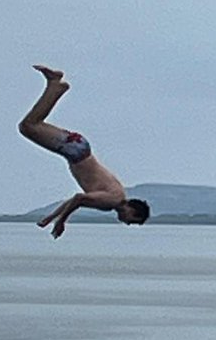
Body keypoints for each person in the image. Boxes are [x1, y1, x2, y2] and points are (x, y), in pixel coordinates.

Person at [18, 65, 150, 238]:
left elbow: (75, 201)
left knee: (31, 125)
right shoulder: (111, 201)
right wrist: (61, 222)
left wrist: (50, 217)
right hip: (75, 151)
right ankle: (55, 85)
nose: (126, 222)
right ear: (133, 210)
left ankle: (54, 85)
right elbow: (79, 198)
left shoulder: (117, 194)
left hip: (78, 148)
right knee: (28, 126)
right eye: (131, 220)